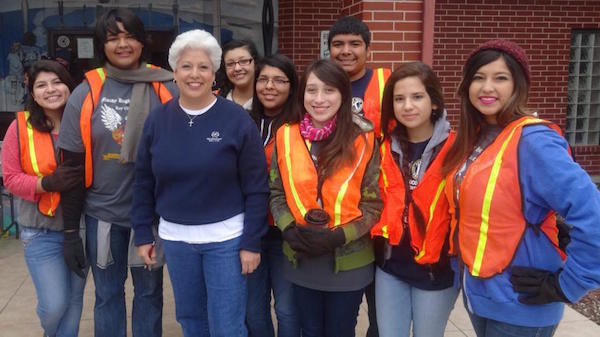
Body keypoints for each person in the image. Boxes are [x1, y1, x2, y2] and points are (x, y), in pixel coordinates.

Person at [441, 39, 600, 337]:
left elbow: (594, 216)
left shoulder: (534, 140)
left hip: (522, 304)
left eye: (500, 78)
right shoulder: (476, 136)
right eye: (479, 77)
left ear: (518, 86)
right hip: (482, 297)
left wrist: (569, 285)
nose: (487, 87)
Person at [131, 29, 269, 337]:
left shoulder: (237, 120)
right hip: (176, 240)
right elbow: (143, 181)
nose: (195, 74)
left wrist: (251, 242)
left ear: (214, 72)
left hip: (227, 241)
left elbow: (257, 188)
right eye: (186, 66)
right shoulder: (157, 120)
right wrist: (142, 232)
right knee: (191, 319)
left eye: (203, 67)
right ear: (174, 72)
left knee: (227, 324)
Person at [57, 8, 176, 337]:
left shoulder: (167, 87)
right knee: (108, 296)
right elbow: (71, 166)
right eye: (113, 38)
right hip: (102, 215)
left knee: (150, 294)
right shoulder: (86, 92)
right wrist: (70, 232)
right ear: (102, 45)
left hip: (151, 217)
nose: (122, 44)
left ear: (142, 42)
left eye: (130, 36)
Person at [269, 59, 383, 337]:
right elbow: (276, 193)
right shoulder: (285, 135)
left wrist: (338, 236)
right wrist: (288, 229)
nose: (319, 99)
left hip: (349, 261)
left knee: (340, 331)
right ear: (302, 94)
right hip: (301, 255)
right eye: (312, 90)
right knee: (308, 330)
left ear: (343, 95)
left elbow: (373, 205)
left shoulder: (365, 138)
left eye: (329, 90)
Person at [370, 62, 458, 337]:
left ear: (434, 101)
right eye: (399, 98)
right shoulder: (384, 147)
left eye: (417, 97)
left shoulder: (458, 148)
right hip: (391, 266)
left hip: (436, 271)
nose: (407, 105)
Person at [1, 59, 85, 337]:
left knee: (74, 303)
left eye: (57, 82)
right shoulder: (20, 127)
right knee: (54, 305)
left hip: (83, 227)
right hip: (40, 230)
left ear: (69, 86)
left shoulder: (87, 125)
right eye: (41, 85)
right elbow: (10, 178)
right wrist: (44, 183)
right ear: (33, 93)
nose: (51, 90)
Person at [328, 17, 390, 336]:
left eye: (354, 44)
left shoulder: (387, 84)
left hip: (382, 211)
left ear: (368, 48)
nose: (346, 51)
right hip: (339, 215)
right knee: (343, 309)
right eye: (338, 44)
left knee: (382, 309)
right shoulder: (320, 86)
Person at [245, 53, 301, 337]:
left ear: (292, 87)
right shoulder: (243, 121)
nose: (270, 86)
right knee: (253, 310)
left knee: (287, 309)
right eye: (264, 79)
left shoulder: (302, 127)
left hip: (286, 232)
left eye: (279, 80)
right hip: (250, 231)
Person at [218, 40, 258, 111]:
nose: (237, 68)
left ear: (255, 63)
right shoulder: (216, 102)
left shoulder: (267, 101)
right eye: (230, 64)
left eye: (243, 61)